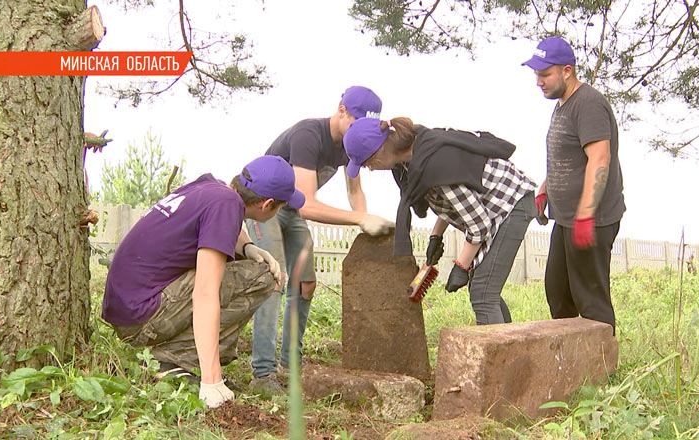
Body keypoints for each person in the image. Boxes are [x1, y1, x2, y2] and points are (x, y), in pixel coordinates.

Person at [102, 155, 305, 408]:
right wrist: (212, 382)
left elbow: (225, 224)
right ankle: (173, 360)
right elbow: (205, 294)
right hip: (142, 318)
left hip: (127, 307)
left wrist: (248, 246)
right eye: (281, 207)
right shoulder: (227, 206)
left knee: (244, 267)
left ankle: (175, 357)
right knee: (261, 277)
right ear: (268, 204)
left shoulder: (212, 187)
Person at [246, 86, 395, 394]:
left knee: (305, 284)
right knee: (274, 280)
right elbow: (307, 204)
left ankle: (291, 365)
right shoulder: (308, 134)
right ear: (341, 110)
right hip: (265, 208)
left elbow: (355, 191)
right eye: (356, 122)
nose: (361, 131)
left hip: (293, 212)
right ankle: (262, 374)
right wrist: (359, 219)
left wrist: (364, 226)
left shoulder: (350, 145)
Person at [343, 117, 538, 325]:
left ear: (380, 151)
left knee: (483, 293)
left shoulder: (436, 162)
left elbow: (479, 225)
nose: (370, 169)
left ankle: (498, 356)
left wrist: (461, 266)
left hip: (510, 202)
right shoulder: (411, 161)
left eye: (367, 163)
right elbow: (448, 200)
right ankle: (510, 345)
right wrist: (436, 236)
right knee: (482, 289)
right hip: (490, 208)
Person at [521, 36, 626, 332]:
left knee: (591, 302)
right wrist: (546, 187)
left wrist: (585, 214)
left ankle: (602, 369)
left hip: (590, 220)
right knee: (559, 294)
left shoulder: (588, 103)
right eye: (536, 75)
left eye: (545, 74)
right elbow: (568, 157)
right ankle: (572, 362)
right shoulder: (563, 104)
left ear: (567, 71)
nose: (539, 82)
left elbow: (600, 158)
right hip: (567, 219)